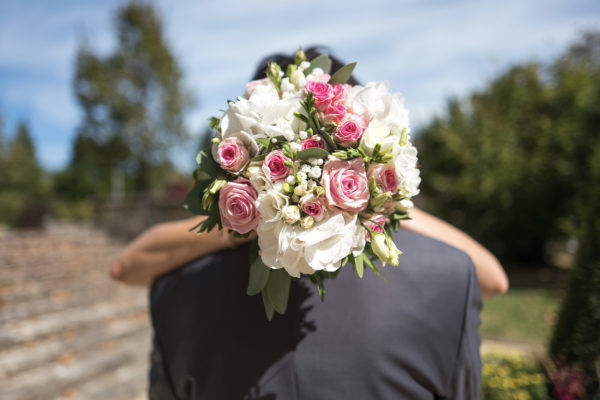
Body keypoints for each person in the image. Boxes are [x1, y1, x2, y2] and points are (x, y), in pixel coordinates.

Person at [110, 48, 508, 399]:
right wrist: (259, 215)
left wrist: (376, 203)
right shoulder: (448, 276)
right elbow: (492, 279)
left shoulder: (176, 291)